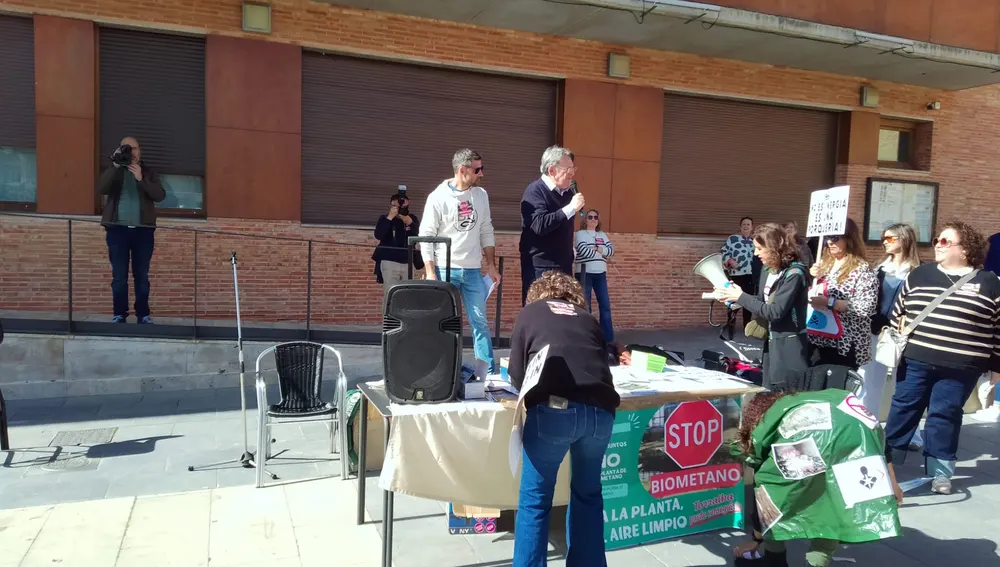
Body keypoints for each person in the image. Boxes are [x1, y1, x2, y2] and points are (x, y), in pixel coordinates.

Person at [508, 270, 620, 567]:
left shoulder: (530, 313)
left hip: (554, 411)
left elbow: (518, 375)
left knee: (535, 501)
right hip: (600, 414)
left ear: (537, 295)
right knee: (588, 495)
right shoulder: (588, 318)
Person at [883, 221, 1000, 495]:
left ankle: (941, 473)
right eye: (937, 239)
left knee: (945, 415)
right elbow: (897, 313)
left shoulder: (990, 283)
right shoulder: (920, 274)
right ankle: (884, 463)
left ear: (965, 249)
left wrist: (996, 367)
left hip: (962, 366)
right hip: (916, 360)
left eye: (946, 241)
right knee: (903, 408)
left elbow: (998, 328)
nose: (937, 244)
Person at [732, 390, 902, 567]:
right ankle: (816, 563)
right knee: (834, 504)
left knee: (771, 489)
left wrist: (757, 537)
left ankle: (775, 560)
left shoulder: (768, 417)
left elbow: (761, 479)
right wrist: (892, 482)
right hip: (857, 441)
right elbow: (879, 440)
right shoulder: (831, 396)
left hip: (808, 446)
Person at [419, 149, 501, 373]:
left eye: (482, 168)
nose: (481, 174)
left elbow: (486, 229)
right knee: (444, 324)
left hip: (473, 271)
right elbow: (426, 235)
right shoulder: (438, 197)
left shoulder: (480, 195)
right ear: (462, 170)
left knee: (480, 323)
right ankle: (441, 372)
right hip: (446, 270)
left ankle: (488, 375)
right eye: (477, 169)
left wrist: (491, 265)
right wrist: (431, 272)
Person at [715, 223, 809, 391]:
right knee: (767, 388)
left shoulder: (795, 274)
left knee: (786, 392)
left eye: (759, 248)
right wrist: (734, 298)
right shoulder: (767, 270)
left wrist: (741, 297)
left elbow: (775, 311)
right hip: (771, 342)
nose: (755, 253)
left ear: (774, 247)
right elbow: (761, 301)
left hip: (789, 345)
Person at [96, 136, 166, 324]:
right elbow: (100, 188)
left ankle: (143, 314)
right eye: (126, 148)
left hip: (143, 230)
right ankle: (119, 314)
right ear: (119, 150)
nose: (131, 152)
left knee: (141, 275)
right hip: (117, 230)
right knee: (119, 275)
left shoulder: (148, 172)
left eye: (133, 148)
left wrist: (141, 179)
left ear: (139, 150)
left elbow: (160, 195)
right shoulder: (114, 170)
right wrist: (115, 166)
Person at [858, 224, 920, 419]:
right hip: (876, 331)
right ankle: (868, 423)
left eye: (890, 238)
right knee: (869, 381)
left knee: (905, 385)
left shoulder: (918, 271)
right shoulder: (879, 268)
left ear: (904, 239)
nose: (885, 241)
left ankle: (910, 431)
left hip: (906, 335)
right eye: (884, 238)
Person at [807, 219, 879, 369]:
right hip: (819, 336)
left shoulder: (862, 269)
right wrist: (811, 277)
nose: (829, 242)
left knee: (835, 390)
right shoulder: (824, 264)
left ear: (849, 239)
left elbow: (866, 307)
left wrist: (830, 302)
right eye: (827, 238)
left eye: (835, 238)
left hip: (845, 343)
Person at [519, 146, 585, 305]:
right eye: (568, 168)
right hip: (541, 268)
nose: (572, 173)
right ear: (552, 170)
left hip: (565, 265)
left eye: (573, 168)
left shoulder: (568, 193)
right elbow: (539, 225)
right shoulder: (535, 190)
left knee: (564, 313)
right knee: (540, 313)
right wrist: (570, 209)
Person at [574, 209, 615, 343]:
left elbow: (611, 251)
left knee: (605, 305)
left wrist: (597, 249)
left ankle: (608, 339)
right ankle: (587, 337)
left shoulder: (602, 234)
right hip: (584, 273)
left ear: (598, 220)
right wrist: (602, 252)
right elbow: (584, 251)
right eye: (590, 217)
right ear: (585, 220)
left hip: (600, 273)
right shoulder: (580, 234)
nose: (593, 219)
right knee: (586, 306)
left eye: (595, 217)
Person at [372, 191, 422, 292]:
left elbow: (420, 235)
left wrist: (410, 223)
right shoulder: (385, 218)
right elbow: (378, 235)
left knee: (408, 294)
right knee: (390, 292)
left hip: (408, 262)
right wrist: (390, 217)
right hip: (389, 261)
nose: (399, 208)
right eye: (396, 205)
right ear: (391, 205)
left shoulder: (411, 218)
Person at [721, 217, 755, 340]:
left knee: (749, 302)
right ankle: (730, 326)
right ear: (740, 227)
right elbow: (724, 252)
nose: (746, 226)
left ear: (752, 227)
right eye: (744, 224)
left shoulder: (755, 241)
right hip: (736, 274)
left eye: (748, 224)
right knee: (733, 301)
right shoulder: (733, 239)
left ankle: (748, 327)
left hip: (751, 275)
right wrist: (730, 261)